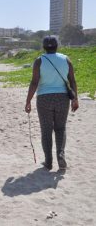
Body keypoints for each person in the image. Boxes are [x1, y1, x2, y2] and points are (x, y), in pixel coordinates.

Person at [25, 36, 79, 170]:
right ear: (57, 46)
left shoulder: (39, 61)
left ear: (44, 47)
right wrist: (75, 99)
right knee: (61, 128)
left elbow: (34, 82)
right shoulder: (66, 59)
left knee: (46, 130)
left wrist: (28, 101)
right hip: (62, 98)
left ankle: (48, 162)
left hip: (44, 99)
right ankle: (60, 155)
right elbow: (72, 81)